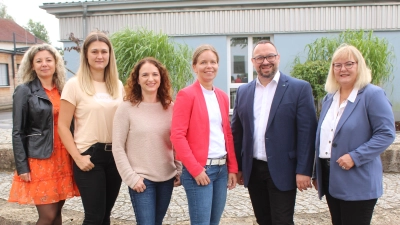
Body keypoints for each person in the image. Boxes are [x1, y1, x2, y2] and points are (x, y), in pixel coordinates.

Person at [231, 40, 317, 225]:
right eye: (260, 57)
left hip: (283, 168)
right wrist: (237, 167)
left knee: (282, 221)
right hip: (253, 169)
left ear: (278, 58)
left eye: (270, 56)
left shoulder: (298, 88)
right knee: (263, 220)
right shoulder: (244, 91)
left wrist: (304, 170)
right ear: (253, 61)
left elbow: (307, 133)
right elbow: (237, 132)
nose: (265, 61)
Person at [313, 44, 395, 225]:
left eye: (349, 64)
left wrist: (355, 156)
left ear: (360, 66)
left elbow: (386, 133)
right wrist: (317, 173)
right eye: (337, 65)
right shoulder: (329, 98)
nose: (343, 69)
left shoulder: (373, 95)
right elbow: (323, 138)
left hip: (358, 180)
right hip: (331, 177)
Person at [58, 31, 124, 224]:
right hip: (90, 156)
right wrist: (77, 157)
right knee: (94, 217)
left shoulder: (117, 85)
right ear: (86, 54)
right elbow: (62, 126)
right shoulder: (74, 85)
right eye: (94, 51)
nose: (100, 56)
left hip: (115, 157)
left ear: (110, 55)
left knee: (105, 216)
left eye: (104, 51)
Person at [9, 44, 79, 224]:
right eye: (38, 61)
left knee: (56, 214)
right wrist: (22, 166)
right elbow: (18, 131)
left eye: (48, 60)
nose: (44, 64)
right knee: (47, 216)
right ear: (32, 66)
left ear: (56, 63)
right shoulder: (24, 90)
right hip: (40, 159)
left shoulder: (63, 89)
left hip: (63, 157)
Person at [170, 44, 238, 225]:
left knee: (214, 222)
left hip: (221, 170)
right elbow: (177, 136)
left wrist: (232, 168)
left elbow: (227, 134)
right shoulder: (187, 95)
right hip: (200, 170)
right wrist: (195, 169)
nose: (209, 66)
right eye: (203, 62)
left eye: (213, 62)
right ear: (194, 67)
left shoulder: (222, 96)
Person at [112, 57, 182, 225]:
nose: (150, 79)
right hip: (142, 180)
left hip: (166, 178)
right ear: (137, 79)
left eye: (155, 74)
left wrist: (178, 168)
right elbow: (118, 147)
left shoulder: (171, 107)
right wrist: (131, 178)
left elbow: (176, 141)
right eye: (145, 75)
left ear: (161, 78)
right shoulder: (126, 108)